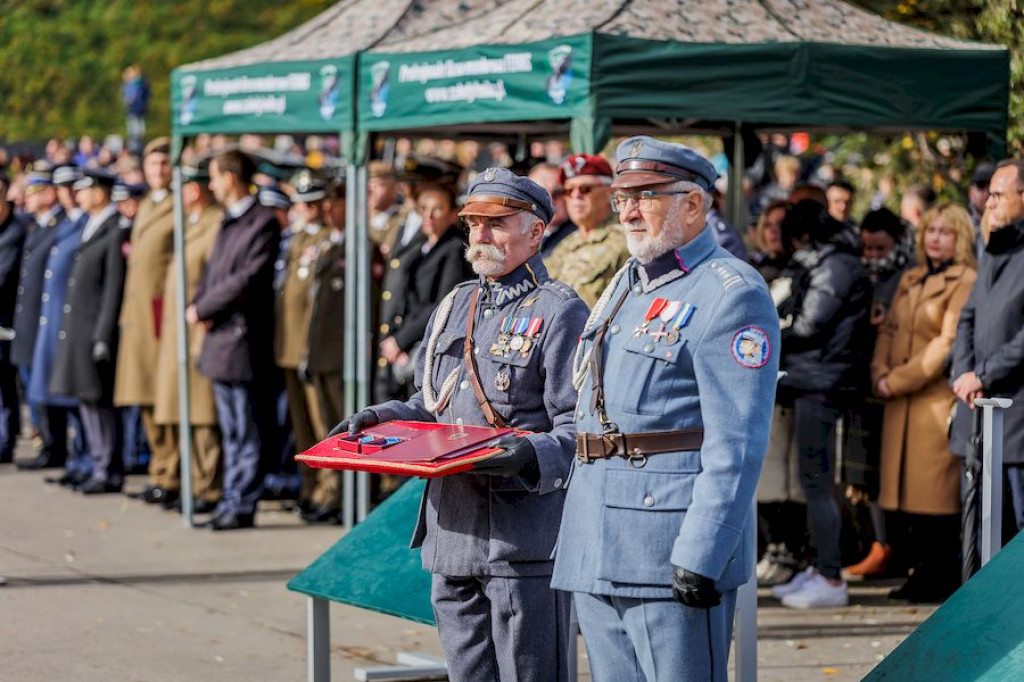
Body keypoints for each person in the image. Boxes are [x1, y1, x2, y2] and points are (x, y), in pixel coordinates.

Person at [331, 167, 587, 682]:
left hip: (522, 542)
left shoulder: (561, 312)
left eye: (496, 224)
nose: (480, 236)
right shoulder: (455, 305)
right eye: (472, 224)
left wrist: (529, 455)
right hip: (452, 534)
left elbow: (577, 428)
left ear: (536, 231)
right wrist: (379, 419)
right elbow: (431, 404)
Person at [551, 137, 779, 681]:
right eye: (622, 196)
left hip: (667, 545)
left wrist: (703, 551)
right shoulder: (631, 280)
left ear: (694, 205)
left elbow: (737, 443)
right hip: (599, 539)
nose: (627, 209)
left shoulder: (731, 292)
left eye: (646, 195)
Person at [872, 202, 976, 602]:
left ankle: (938, 575)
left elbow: (946, 344)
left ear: (960, 238)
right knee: (904, 500)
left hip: (930, 403)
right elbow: (888, 329)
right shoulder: (911, 277)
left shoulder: (964, 279)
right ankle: (919, 571)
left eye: (945, 232)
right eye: (931, 231)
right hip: (899, 401)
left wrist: (895, 380)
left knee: (934, 498)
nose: (935, 238)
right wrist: (879, 371)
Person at [771, 200, 872, 609]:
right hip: (816, 379)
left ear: (804, 235)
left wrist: (770, 331)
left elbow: (812, 325)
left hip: (823, 382)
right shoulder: (834, 261)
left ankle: (831, 577)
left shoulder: (833, 266)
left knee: (816, 481)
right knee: (813, 479)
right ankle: (821, 568)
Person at [187, 150, 280, 531]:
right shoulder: (231, 220)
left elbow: (245, 280)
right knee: (231, 428)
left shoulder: (262, 222)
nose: (210, 185)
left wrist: (205, 307)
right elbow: (213, 273)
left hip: (241, 339)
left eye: (214, 177)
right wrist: (201, 305)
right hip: (221, 337)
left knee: (244, 427)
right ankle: (230, 497)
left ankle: (242, 502)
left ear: (230, 177)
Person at [951, 159, 1024, 546]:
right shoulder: (996, 250)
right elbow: (968, 318)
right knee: (980, 535)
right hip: (981, 417)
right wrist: (964, 376)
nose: (988, 203)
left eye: (998, 195)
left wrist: (984, 374)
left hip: (1016, 420)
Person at [841, 207, 910, 581]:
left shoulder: (905, 276)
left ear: (897, 242)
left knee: (885, 472)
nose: (871, 255)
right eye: (866, 247)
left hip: (890, 382)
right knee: (864, 475)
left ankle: (888, 548)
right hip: (861, 382)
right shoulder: (859, 272)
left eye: (879, 247)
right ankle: (877, 545)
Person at [152, 164, 224, 515]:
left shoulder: (214, 223)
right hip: (177, 331)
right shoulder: (195, 222)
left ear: (194, 191)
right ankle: (192, 482)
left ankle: (207, 485)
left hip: (200, 331)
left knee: (202, 415)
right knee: (185, 411)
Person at [49, 169, 126, 494]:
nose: (78, 195)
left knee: (99, 401)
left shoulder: (114, 229)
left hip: (95, 328)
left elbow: (112, 287)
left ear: (100, 192)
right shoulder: (91, 225)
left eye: (85, 189)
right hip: (79, 327)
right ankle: (96, 463)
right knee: (86, 399)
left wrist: (102, 334)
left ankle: (107, 467)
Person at [116, 138, 178, 507]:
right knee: (144, 399)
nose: (159, 171)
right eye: (153, 165)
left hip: (161, 316)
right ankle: (159, 469)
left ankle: (171, 472)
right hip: (139, 315)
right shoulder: (147, 206)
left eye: (164, 164)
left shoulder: (176, 205)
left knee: (164, 397)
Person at [274, 171, 339, 522]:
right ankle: (310, 487)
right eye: (302, 203)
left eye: (312, 203)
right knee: (302, 426)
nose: (306, 209)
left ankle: (329, 491)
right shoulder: (297, 238)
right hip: (290, 344)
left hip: (313, 348)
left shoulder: (329, 240)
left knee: (321, 423)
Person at [24, 170, 88, 480]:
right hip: (53, 321)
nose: (66, 193)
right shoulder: (68, 225)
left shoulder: (77, 225)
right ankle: (79, 459)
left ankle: (86, 458)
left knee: (77, 397)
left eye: (70, 187)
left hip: (72, 323)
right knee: (60, 393)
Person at [378, 182, 472, 388]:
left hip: (423, 344)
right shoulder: (420, 245)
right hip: (402, 344)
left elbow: (444, 302)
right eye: (423, 209)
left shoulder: (454, 248)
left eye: (437, 209)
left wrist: (402, 340)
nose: (428, 216)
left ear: (452, 214)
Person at [300, 178, 347, 522]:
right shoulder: (330, 245)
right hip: (321, 351)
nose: (329, 210)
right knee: (323, 427)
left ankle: (339, 496)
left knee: (340, 427)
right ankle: (328, 492)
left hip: (341, 352)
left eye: (336, 202)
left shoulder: (358, 246)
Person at [11, 167, 61, 465]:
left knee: (44, 388)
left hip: (44, 321)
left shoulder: (55, 226)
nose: (27, 198)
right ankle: (46, 442)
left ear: (48, 193)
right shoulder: (38, 226)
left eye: (33, 192)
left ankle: (53, 445)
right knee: (33, 387)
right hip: (29, 321)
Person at [545, 153, 628, 308]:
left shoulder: (626, 241)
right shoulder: (565, 244)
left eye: (585, 189)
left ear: (609, 192)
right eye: (569, 191)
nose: (576, 196)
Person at [0, 175, 27, 463]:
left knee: (5, 384)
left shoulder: (15, 232)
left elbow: (4, 276)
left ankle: (6, 441)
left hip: (6, 320)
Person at [528, 162, 576, 257]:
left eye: (557, 193)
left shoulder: (579, 235)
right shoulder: (519, 234)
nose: (550, 200)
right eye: (541, 194)